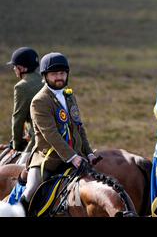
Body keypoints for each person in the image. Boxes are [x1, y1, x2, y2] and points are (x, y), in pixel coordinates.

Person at [19, 52, 98, 214]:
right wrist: (72, 157)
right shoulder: (39, 101)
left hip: (76, 156)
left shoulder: (69, 95)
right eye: (54, 74)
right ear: (45, 76)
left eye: (62, 73)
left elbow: (79, 127)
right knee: (32, 188)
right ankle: (19, 210)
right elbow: (51, 135)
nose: (59, 77)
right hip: (48, 158)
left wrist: (88, 153)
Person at [6, 47, 43, 164]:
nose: (14, 69)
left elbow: (18, 119)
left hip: (38, 140)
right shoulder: (46, 81)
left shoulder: (21, 86)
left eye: (15, 66)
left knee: (19, 173)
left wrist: (16, 144)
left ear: (21, 68)